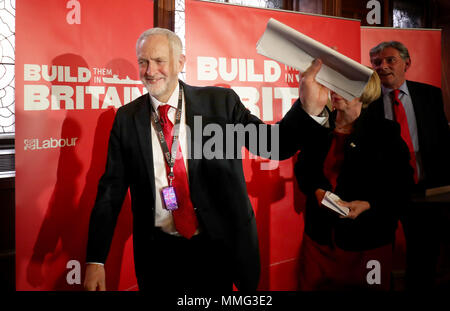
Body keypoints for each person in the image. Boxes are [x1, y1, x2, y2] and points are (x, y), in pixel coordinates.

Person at [83, 27, 328, 292]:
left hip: (216, 251)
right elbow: (110, 192)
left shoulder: (220, 104)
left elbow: (274, 144)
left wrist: (308, 108)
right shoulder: (126, 119)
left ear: (180, 63)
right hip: (158, 257)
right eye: (143, 61)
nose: (150, 70)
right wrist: (96, 259)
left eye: (159, 61)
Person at [294, 68, 414, 290]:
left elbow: (403, 185)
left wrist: (369, 205)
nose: (335, 91)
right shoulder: (319, 128)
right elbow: (304, 170)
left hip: (367, 241)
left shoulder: (385, 133)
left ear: (364, 93)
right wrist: (318, 190)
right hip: (320, 240)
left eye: (345, 86)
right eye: (335, 85)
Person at [369, 41, 450, 289]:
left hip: (426, 191)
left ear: (407, 63)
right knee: (378, 256)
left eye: (390, 60)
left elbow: (443, 142)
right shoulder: (366, 101)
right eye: (377, 62)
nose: (383, 66)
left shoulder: (430, 95)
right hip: (383, 195)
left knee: (424, 259)